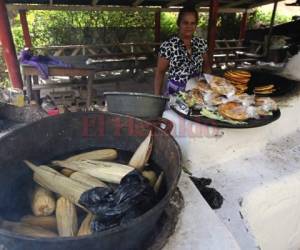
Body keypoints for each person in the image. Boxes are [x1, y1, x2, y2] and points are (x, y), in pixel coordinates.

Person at [154, 6, 210, 95]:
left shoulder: (201, 44)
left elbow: (206, 68)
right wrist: (157, 97)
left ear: (196, 25)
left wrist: (208, 89)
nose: (189, 26)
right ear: (178, 23)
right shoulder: (168, 45)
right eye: (185, 22)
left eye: (193, 23)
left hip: (196, 95)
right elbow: (160, 73)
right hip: (175, 95)